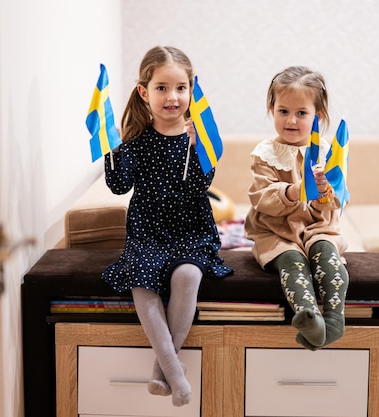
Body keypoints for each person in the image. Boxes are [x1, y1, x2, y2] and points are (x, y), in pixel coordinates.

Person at [101, 45, 232, 407]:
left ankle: (163, 370)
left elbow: (199, 187)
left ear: (191, 90)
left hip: (191, 231)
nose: (172, 97)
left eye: (180, 88)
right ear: (144, 93)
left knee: (187, 277)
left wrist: (198, 147)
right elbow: (119, 186)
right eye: (162, 88)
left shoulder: (198, 141)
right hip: (148, 232)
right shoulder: (136, 143)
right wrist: (112, 147)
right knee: (141, 280)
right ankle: (177, 374)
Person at [244, 66, 349, 351]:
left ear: (319, 116)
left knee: (326, 255)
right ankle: (310, 318)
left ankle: (334, 321)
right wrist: (293, 190)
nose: (291, 120)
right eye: (283, 111)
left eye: (302, 113)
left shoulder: (327, 154)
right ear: (272, 109)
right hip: (276, 232)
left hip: (318, 227)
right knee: (291, 260)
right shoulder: (264, 153)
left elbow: (337, 201)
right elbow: (260, 198)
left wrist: (324, 189)